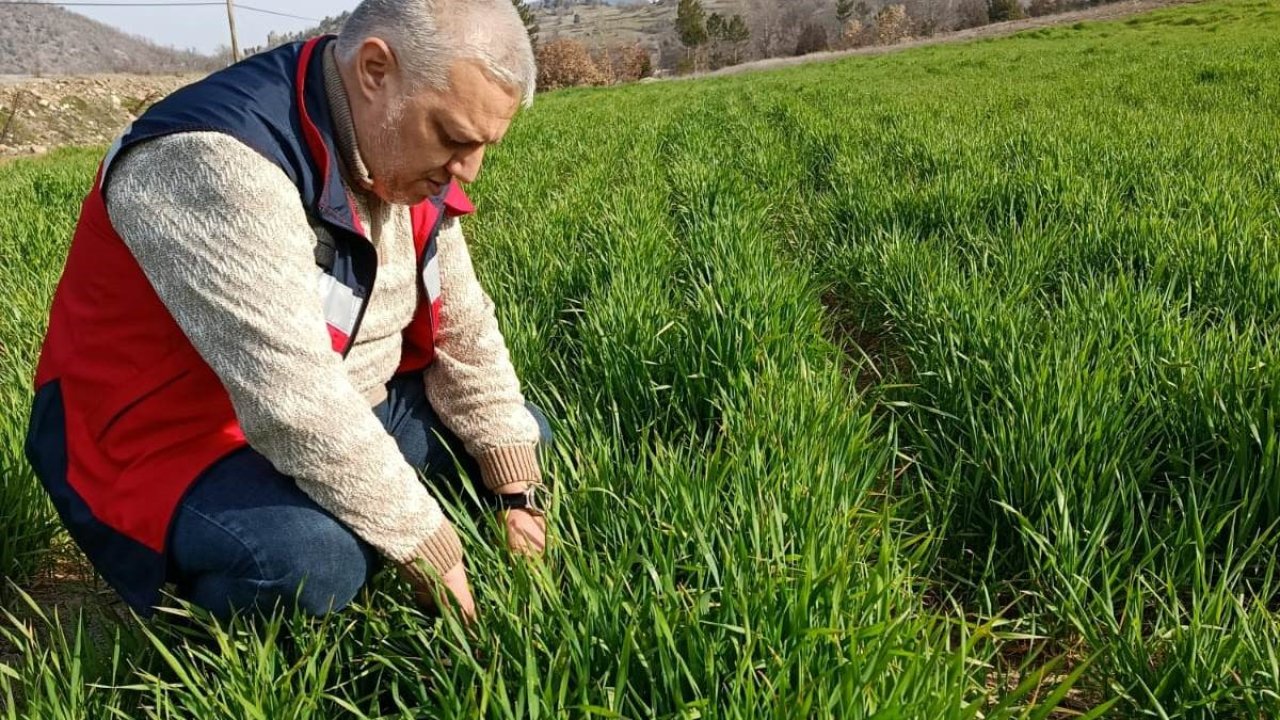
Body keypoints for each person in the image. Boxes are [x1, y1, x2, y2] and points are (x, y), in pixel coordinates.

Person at [24, 0, 547, 622]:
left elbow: (462, 327)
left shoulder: (401, 155)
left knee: (518, 437)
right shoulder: (212, 160)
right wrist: (430, 548)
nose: (468, 170)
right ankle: (184, 610)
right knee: (312, 563)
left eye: (483, 145)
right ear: (375, 69)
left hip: (340, 395)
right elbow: (291, 399)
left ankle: (367, 511)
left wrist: (517, 489)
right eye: (453, 137)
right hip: (176, 441)